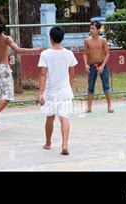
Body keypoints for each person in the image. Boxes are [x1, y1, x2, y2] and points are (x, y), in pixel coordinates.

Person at [0, 0, 42, 131]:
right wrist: (36, 51)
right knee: (8, 95)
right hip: (4, 69)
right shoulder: (6, 39)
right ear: (4, 27)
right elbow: (18, 50)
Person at [38, 26, 78, 156]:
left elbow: (43, 75)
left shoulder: (45, 54)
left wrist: (40, 93)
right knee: (64, 118)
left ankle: (48, 143)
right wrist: (70, 87)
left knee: (50, 118)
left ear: (50, 39)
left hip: (50, 92)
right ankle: (65, 144)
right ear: (62, 38)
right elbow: (72, 74)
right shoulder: (69, 54)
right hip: (65, 92)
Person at [83, 21, 113, 113]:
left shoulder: (103, 40)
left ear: (98, 30)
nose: (91, 30)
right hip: (92, 65)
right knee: (90, 86)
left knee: (106, 85)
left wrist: (103, 66)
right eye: (91, 28)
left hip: (102, 64)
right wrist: (86, 64)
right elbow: (84, 53)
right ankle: (89, 107)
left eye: (93, 28)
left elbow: (107, 53)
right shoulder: (87, 40)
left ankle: (109, 106)